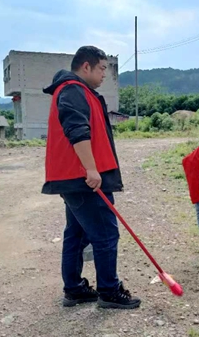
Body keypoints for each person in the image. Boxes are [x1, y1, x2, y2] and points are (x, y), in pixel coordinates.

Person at [42, 46, 141, 310]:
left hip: (74, 178)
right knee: (106, 234)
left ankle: (74, 289)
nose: (104, 75)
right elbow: (77, 130)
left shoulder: (76, 90)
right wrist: (91, 169)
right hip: (82, 179)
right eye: (101, 69)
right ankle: (109, 291)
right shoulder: (73, 90)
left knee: (76, 233)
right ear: (86, 66)